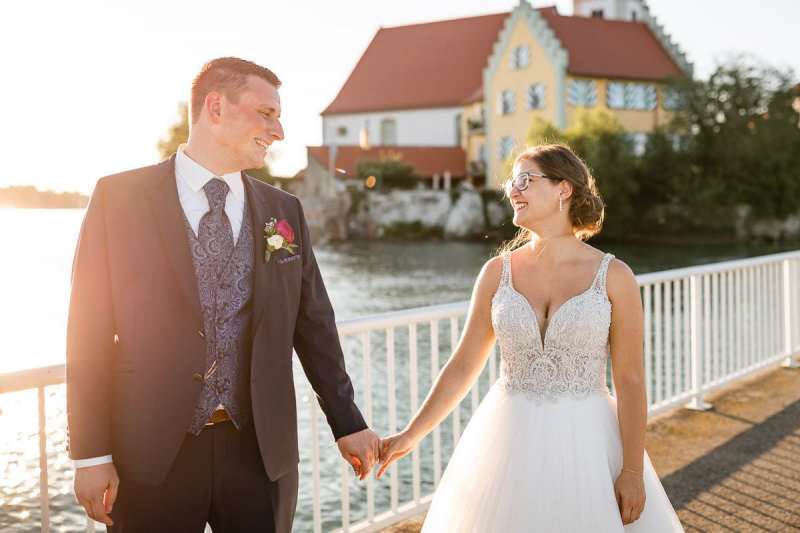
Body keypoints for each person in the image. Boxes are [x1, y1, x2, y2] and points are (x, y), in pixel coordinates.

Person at [66, 57, 379, 532]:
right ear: (215, 107)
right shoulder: (119, 199)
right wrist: (90, 453)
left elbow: (313, 324)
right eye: (266, 114)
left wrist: (348, 421)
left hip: (260, 454)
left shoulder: (283, 209)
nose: (278, 131)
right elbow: (86, 333)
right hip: (151, 454)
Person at [377, 144, 684, 532]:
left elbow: (630, 380)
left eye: (525, 180)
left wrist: (633, 470)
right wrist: (411, 434)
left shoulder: (615, 276)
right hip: (507, 442)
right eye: (511, 183)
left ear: (564, 189)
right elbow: (463, 363)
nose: (512, 191)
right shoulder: (496, 272)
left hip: (586, 444)